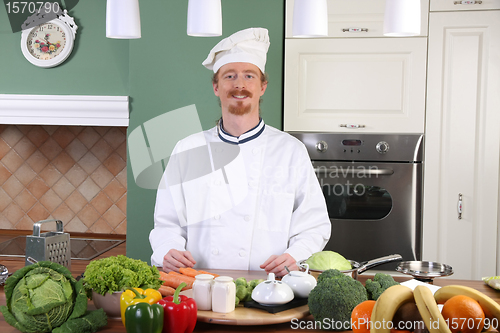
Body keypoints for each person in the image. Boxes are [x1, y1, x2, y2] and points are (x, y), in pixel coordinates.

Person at [149, 27, 331, 277]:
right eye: (230, 76)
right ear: (216, 86)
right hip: (199, 286)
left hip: (270, 287)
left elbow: (314, 224)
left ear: (263, 86)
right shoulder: (188, 149)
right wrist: (168, 249)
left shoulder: (290, 151)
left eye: (249, 76)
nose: (239, 85)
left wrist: (295, 256)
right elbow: (166, 222)